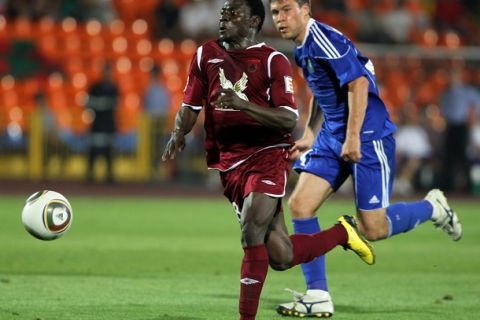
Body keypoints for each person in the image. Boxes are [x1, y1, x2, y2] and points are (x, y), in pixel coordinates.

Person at [161, 0, 375, 319]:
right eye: (223, 14)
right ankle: (343, 232)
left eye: (234, 14)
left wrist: (242, 104)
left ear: (254, 22)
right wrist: (179, 132)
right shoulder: (206, 54)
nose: (225, 19)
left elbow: (288, 119)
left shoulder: (273, 61)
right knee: (281, 256)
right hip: (229, 163)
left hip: (267, 156)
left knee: (250, 231)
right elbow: (191, 104)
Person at [268, 0, 463, 317]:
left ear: (306, 9)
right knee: (300, 204)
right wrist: (310, 134)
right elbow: (323, 88)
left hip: (368, 135)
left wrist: (354, 136)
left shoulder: (322, 39)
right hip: (333, 135)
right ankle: (318, 294)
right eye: (275, 12)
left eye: (287, 9)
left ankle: (433, 207)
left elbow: (357, 83)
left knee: (373, 229)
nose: (280, 18)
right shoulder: (302, 46)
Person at [85, 61, 118, 184]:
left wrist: (100, 104)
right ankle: (90, 175)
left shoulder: (114, 87)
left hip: (109, 124)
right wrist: (104, 104)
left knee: (109, 151)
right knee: (94, 150)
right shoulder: (95, 87)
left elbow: (114, 104)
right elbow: (89, 103)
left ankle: (109, 175)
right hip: (97, 124)